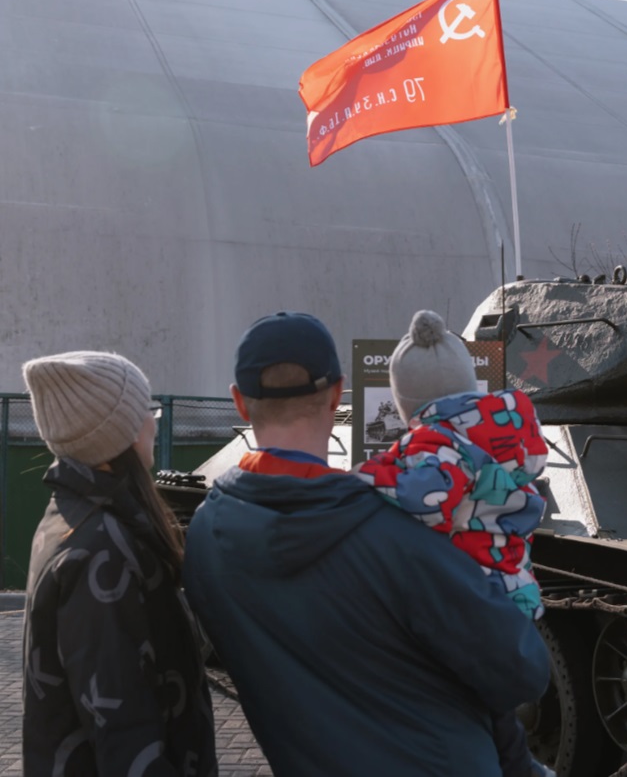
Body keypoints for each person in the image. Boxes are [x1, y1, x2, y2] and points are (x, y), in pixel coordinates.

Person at [182, 311, 550, 777]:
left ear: (238, 402)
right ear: (338, 393)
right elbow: (521, 670)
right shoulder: (393, 531)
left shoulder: (207, 534)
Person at [355, 310, 551, 777]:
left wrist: (369, 475)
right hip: (511, 588)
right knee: (497, 718)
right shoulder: (508, 429)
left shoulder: (439, 442)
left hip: (467, 596)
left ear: (407, 402)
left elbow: (429, 501)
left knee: (459, 709)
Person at [21, 351, 217, 777]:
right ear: (119, 434)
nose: (153, 423)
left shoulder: (72, 516)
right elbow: (124, 736)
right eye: (146, 411)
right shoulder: (101, 551)